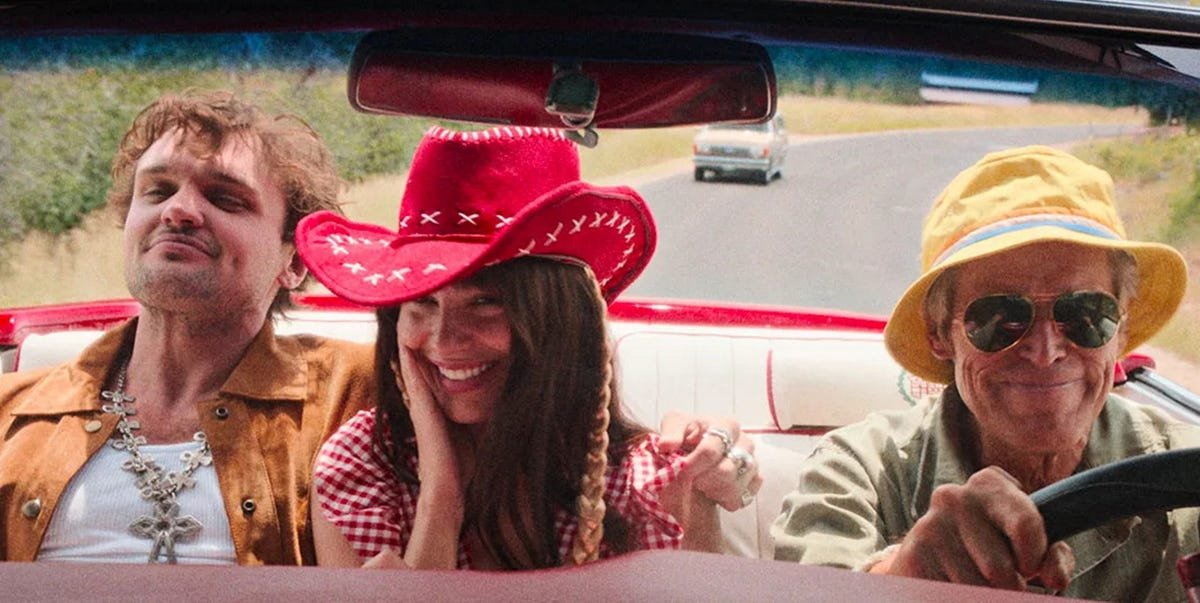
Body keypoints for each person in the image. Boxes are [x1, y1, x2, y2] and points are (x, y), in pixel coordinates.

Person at [295, 126, 763, 570]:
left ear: (559, 322)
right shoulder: (362, 463)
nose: (443, 339)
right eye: (422, 301)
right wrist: (442, 495)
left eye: (486, 302)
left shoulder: (648, 483)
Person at [771, 145, 1198, 600]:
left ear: (1121, 328)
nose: (1045, 350)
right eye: (999, 318)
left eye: (1086, 314)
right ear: (940, 334)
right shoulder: (861, 469)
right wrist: (901, 578)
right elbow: (816, 582)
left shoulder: (1186, 475)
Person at [0, 90, 376, 565]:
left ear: (296, 261)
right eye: (157, 191)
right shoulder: (11, 416)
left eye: (225, 198)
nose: (178, 211)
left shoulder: (357, 394)